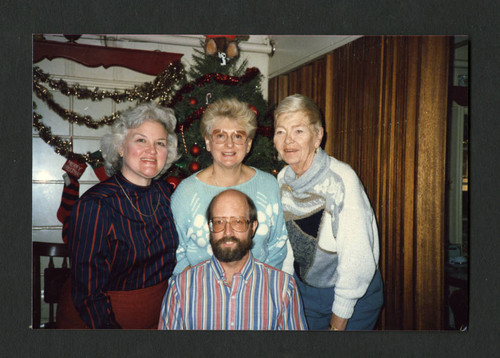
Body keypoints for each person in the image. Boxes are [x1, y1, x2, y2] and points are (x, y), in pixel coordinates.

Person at [56, 103, 180, 329]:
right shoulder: (95, 205)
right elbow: (88, 292)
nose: (151, 150)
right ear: (121, 147)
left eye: (159, 143)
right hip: (102, 323)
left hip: (159, 320)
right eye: (141, 140)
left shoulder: (167, 195)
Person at [273, 94, 383, 331]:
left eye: (298, 131)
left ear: (318, 136)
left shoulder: (342, 179)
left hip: (353, 294)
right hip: (307, 291)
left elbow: (357, 258)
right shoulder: (282, 179)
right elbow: (288, 245)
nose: (288, 140)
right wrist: (285, 290)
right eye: (281, 131)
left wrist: (338, 321)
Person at [171, 97, 292, 275]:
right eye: (220, 136)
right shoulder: (186, 193)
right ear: (207, 142)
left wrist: (258, 288)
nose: (229, 144)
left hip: (257, 293)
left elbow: (277, 246)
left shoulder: (269, 186)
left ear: (249, 144)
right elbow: (177, 255)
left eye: (238, 136)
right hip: (202, 295)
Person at [158, 189, 307, 330]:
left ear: (253, 227)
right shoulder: (180, 288)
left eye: (238, 222)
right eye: (219, 222)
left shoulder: (283, 288)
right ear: (210, 228)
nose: (227, 232)